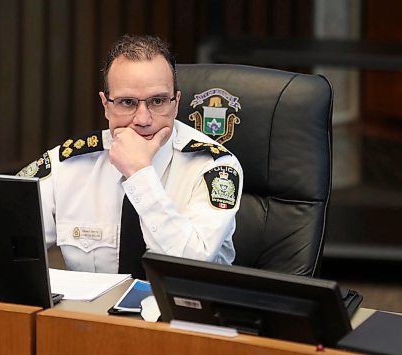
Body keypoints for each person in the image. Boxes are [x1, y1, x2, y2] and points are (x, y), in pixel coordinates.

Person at [18, 34, 243, 279]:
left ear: (176, 103)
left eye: (157, 101)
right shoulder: (70, 163)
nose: (143, 120)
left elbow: (190, 266)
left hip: (183, 314)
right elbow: (6, 234)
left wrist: (139, 175)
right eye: (127, 102)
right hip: (92, 315)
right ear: (106, 105)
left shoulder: (215, 167)